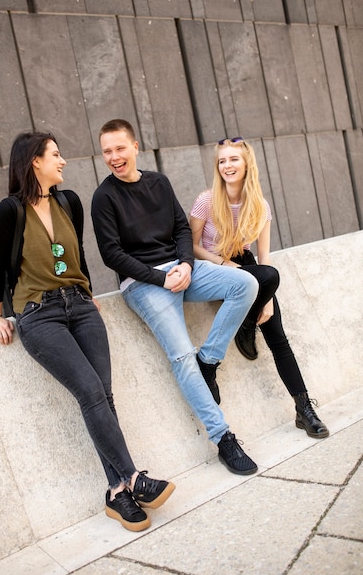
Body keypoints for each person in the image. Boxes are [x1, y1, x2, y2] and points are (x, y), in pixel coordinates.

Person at [0, 131, 175, 533]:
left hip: (81, 306)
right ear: (34, 161)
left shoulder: (69, 202)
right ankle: (135, 477)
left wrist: (87, 293)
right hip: (39, 315)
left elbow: (78, 255)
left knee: (102, 395)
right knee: (90, 392)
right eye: (55, 154)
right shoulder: (8, 211)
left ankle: (117, 492)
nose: (63, 161)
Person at [91, 118, 260, 477]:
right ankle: (223, 438)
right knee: (182, 355)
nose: (113, 157)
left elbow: (183, 228)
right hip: (142, 283)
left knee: (245, 284)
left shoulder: (159, 182)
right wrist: (160, 277)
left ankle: (210, 361)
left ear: (135, 147)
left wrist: (184, 263)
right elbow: (111, 253)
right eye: (107, 151)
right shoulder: (103, 197)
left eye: (120, 148)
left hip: (181, 270)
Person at [189, 137, 329, 439]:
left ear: (246, 163)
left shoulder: (259, 205)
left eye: (234, 159)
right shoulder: (207, 200)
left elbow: (265, 260)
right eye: (222, 161)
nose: (227, 165)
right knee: (262, 278)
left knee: (278, 335)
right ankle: (246, 323)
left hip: (248, 264)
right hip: (215, 264)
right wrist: (225, 265)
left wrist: (267, 301)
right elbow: (192, 245)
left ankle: (304, 408)